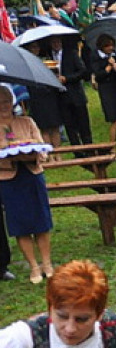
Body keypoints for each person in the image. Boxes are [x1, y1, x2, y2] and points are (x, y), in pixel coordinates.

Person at [0, 86, 54, 284]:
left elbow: (43, 150)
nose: (3, 105)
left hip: (32, 175)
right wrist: (9, 153)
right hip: (8, 180)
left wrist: (28, 150)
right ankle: (33, 266)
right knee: (20, 225)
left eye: (6, 101)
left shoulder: (27, 121)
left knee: (41, 221)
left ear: (12, 102)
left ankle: (47, 263)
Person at [90, 34, 116, 159]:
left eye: (112, 46)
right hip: (107, 91)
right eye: (107, 46)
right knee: (115, 121)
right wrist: (109, 66)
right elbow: (98, 75)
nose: (110, 48)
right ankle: (113, 149)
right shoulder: (95, 57)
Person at [50, 35, 93, 148]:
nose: (56, 44)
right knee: (69, 125)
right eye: (53, 42)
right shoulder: (48, 57)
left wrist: (67, 78)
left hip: (75, 94)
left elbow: (82, 71)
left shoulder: (71, 53)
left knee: (83, 123)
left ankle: (89, 147)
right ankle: (76, 149)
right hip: (60, 96)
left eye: (57, 41)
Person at [20, 40, 63, 149]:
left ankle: (57, 153)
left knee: (55, 126)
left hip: (50, 95)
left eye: (37, 47)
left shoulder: (45, 60)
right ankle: (49, 154)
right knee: (44, 127)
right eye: (33, 47)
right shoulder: (25, 63)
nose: (36, 49)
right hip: (37, 97)